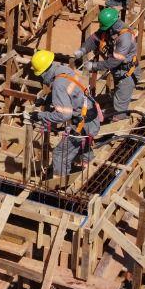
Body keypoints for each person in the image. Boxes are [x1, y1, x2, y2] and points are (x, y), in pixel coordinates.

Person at [31, 49, 101, 187]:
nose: (42, 79)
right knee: (79, 149)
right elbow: (69, 92)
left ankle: (59, 188)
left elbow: (64, 115)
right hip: (90, 118)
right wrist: (46, 100)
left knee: (60, 154)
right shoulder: (64, 70)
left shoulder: (57, 85)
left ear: (44, 72)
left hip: (83, 125)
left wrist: (40, 116)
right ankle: (94, 172)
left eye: (40, 75)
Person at [73, 7, 140, 122]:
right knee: (117, 97)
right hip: (118, 72)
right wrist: (83, 50)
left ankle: (114, 134)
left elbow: (114, 61)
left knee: (119, 110)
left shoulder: (125, 37)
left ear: (113, 24)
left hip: (127, 74)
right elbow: (94, 39)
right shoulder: (110, 29)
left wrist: (94, 66)